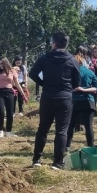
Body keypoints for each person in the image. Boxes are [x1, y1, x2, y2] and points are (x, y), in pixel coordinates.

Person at [29, 32, 81, 169]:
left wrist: (44, 83)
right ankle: (58, 162)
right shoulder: (72, 60)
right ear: (66, 45)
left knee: (43, 128)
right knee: (62, 130)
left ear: (54, 44)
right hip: (64, 97)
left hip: (47, 97)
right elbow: (77, 82)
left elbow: (32, 73)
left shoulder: (44, 58)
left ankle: (36, 159)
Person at [66, 46, 97, 151]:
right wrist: (85, 90)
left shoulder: (70, 72)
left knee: (70, 125)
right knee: (88, 126)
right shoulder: (90, 72)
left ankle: (66, 146)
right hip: (88, 101)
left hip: (74, 101)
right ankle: (91, 146)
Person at [0, 57, 25, 137]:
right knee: (1, 111)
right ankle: (1, 130)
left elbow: (17, 84)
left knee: (10, 112)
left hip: (9, 92)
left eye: (1, 63)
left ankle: (8, 131)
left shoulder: (12, 71)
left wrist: (23, 94)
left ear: (6, 63)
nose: (0, 65)